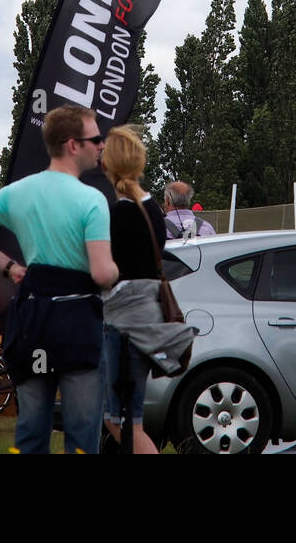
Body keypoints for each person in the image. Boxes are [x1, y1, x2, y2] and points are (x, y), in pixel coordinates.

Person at [0, 105, 119, 454]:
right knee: (82, 430)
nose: (101, 145)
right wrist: (121, 270)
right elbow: (103, 273)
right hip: (78, 320)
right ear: (73, 145)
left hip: (33, 319)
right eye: (96, 139)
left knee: (32, 425)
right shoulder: (92, 200)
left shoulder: (19, 191)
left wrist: (8, 267)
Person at [99, 126, 196, 455]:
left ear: (106, 166)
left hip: (123, 318)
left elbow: (104, 270)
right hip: (147, 313)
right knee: (129, 419)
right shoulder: (154, 209)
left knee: (119, 420)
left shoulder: (117, 214)